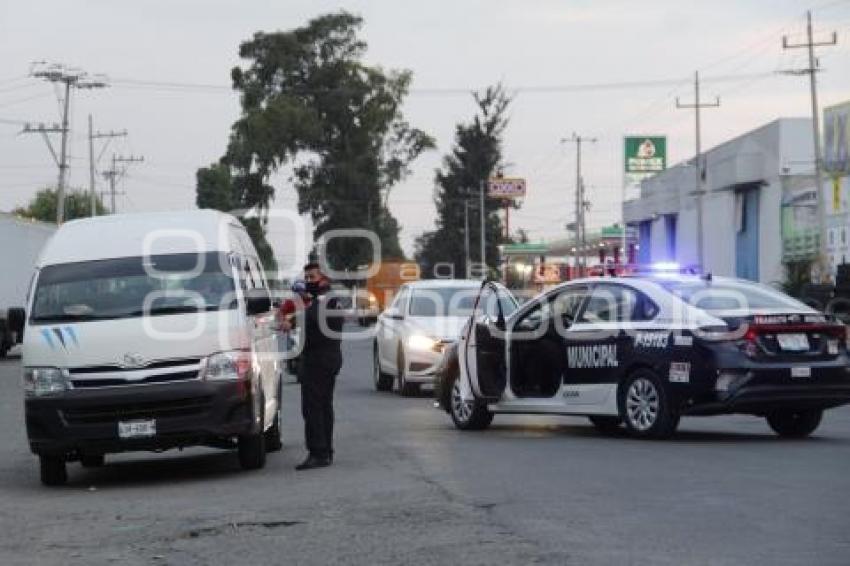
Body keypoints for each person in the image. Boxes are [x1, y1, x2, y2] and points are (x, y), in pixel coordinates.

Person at [282, 262, 344, 470]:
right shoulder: (325, 298)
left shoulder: (325, 300)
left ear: (324, 278)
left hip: (320, 359)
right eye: (306, 278)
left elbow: (312, 318)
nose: (308, 282)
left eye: (312, 277)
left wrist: (290, 321)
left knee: (313, 407)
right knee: (324, 406)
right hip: (327, 357)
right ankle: (326, 450)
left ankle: (318, 452)